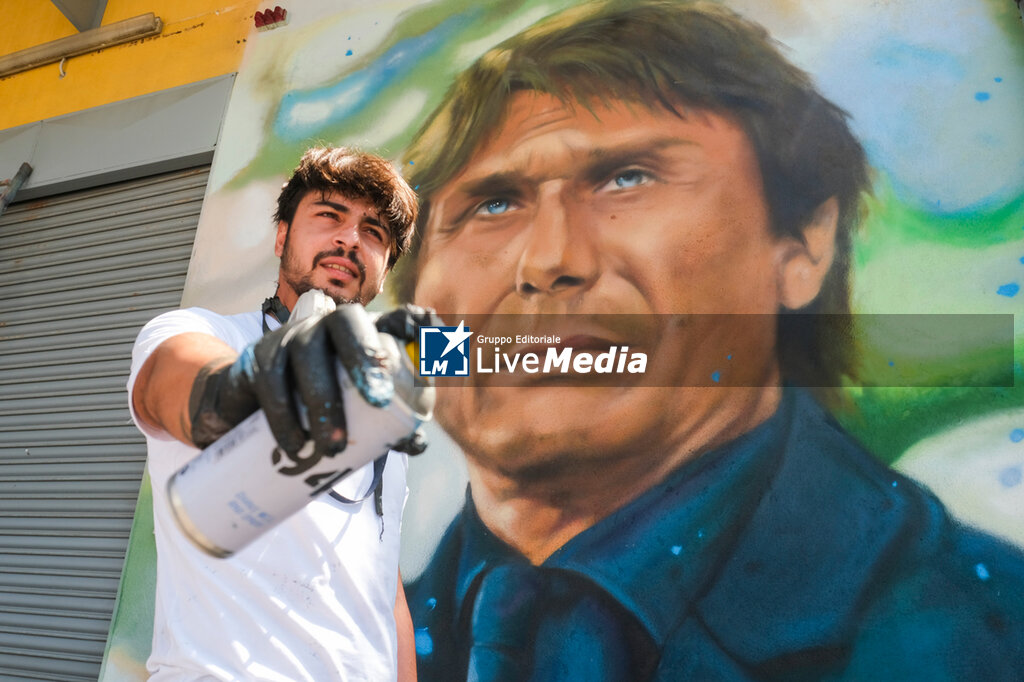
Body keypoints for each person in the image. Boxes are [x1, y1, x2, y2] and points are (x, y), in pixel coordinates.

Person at [391, 2, 1024, 680]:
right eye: (493, 203)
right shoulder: (326, 637)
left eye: (627, 178)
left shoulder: (974, 635)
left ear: (802, 246)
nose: (547, 260)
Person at [128, 146, 428, 680]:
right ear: (282, 236)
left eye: (374, 232)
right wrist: (248, 383)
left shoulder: (381, 406)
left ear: (383, 273)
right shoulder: (202, 332)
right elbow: (172, 382)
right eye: (330, 215)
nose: (350, 238)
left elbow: (382, 587)